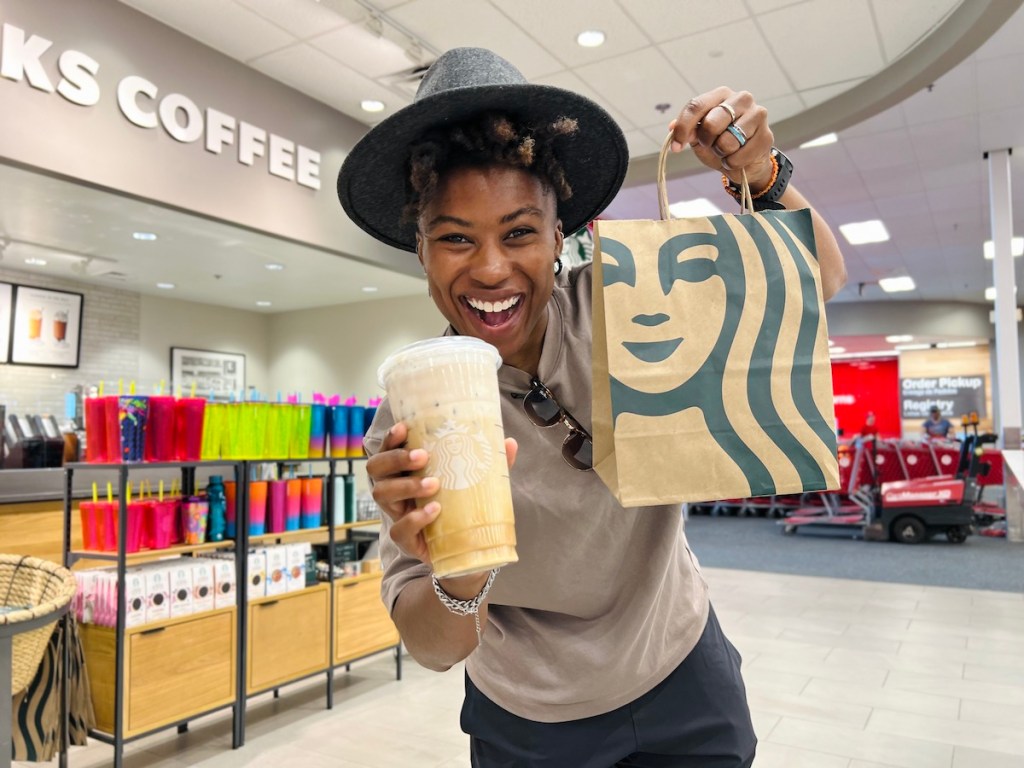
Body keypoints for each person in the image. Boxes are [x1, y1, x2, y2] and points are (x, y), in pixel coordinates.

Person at [339, 47, 847, 767]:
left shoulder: (625, 303)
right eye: (455, 238)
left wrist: (762, 173)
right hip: (526, 718)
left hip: (679, 672)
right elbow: (432, 649)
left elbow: (817, 280)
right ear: (421, 251)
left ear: (559, 239)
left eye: (519, 232)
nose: (489, 269)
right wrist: (453, 570)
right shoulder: (412, 409)